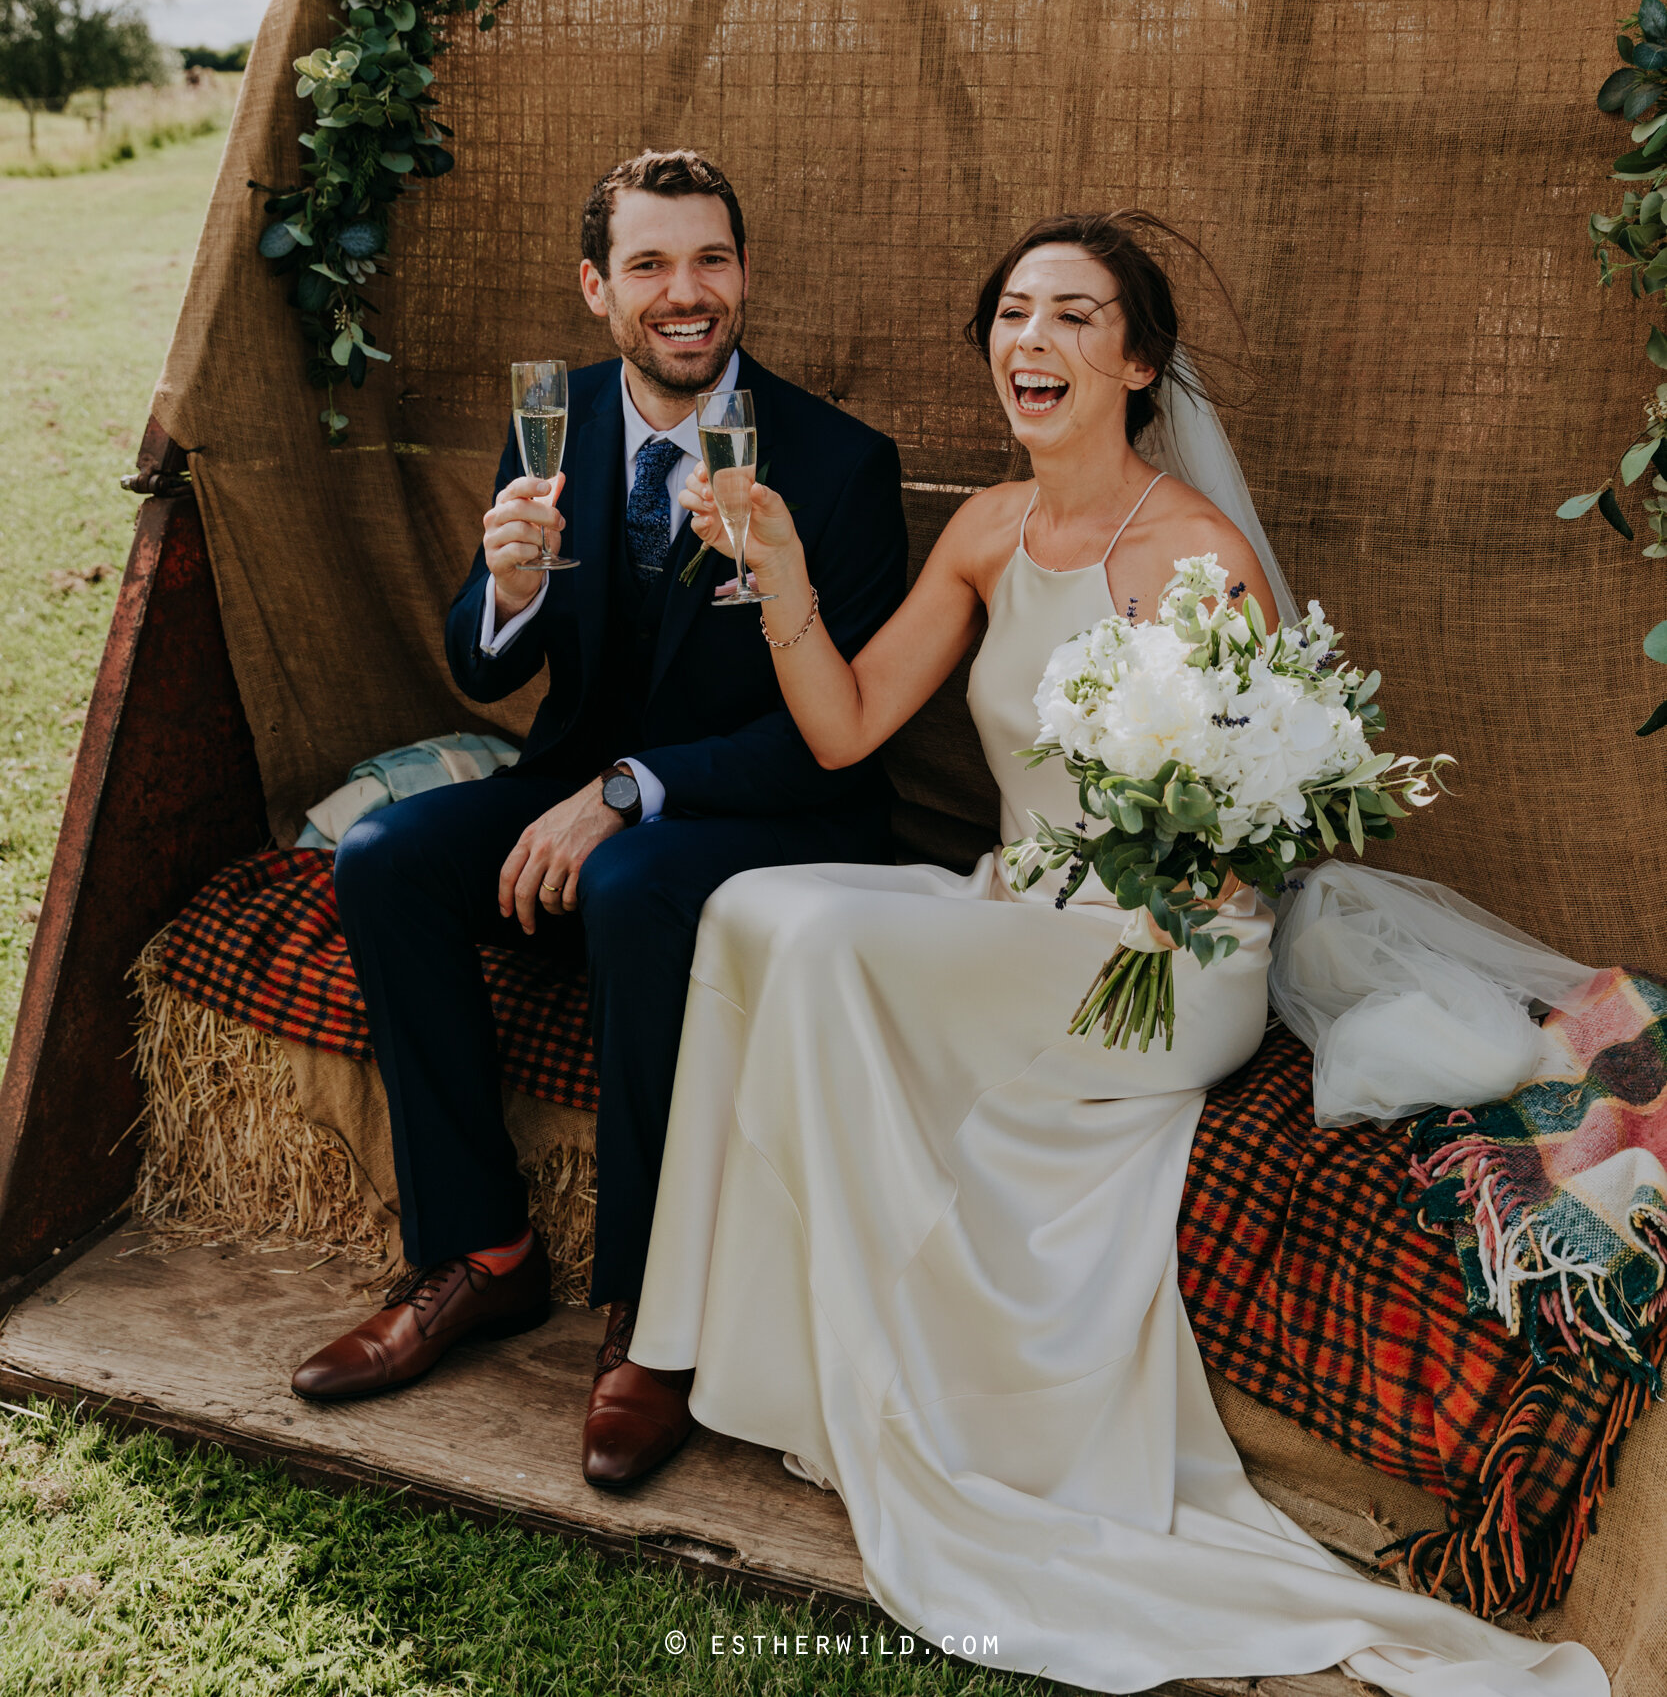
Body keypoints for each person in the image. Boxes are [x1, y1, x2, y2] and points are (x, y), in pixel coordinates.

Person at [628, 211, 1605, 1697]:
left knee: (822, 941)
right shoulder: (981, 531)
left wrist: (1163, 866)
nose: (1034, 342)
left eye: (1076, 318)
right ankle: (698, 1345)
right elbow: (841, 724)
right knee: (754, 911)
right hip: (1017, 912)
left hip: (1168, 961)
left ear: (1139, 364)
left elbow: (1256, 844)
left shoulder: (1199, 558)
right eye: (1015, 315)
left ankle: (879, 1393)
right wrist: (777, 570)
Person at [288, 148, 909, 1491]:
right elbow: (485, 663)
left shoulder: (843, 466)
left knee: (631, 887)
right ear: (596, 287)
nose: (687, 294)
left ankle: (649, 1319)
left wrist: (630, 795)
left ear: (743, 274)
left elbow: (830, 740)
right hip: (572, 780)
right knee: (388, 859)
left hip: (758, 807)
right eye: (650, 265)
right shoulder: (552, 422)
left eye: (712, 261)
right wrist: (503, 589)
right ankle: (484, 1254)